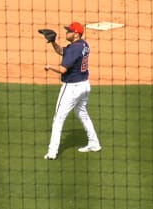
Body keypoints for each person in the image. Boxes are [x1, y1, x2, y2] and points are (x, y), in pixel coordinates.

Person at [42, 22, 102, 160]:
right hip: (85, 86)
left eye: (69, 31)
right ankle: (94, 143)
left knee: (58, 119)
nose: (66, 32)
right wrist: (53, 42)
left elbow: (63, 69)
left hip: (72, 88)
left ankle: (52, 152)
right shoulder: (84, 45)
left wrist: (50, 67)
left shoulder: (75, 49)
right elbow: (63, 52)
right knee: (82, 113)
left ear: (76, 34)